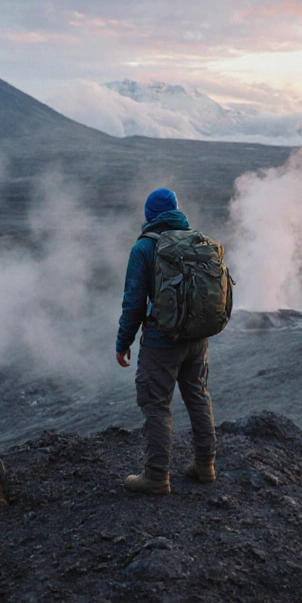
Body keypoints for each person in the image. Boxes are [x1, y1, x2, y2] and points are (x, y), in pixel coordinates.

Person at [116, 188, 217, 495]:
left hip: (162, 341)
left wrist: (123, 342)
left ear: (149, 215)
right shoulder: (196, 241)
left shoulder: (145, 248)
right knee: (198, 395)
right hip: (197, 337)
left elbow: (133, 302)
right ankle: (205, 466)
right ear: (176, 211)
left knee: (157, 404)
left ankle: (157, 476)